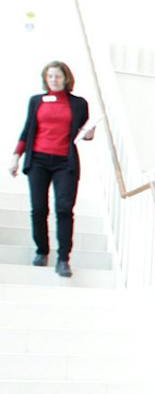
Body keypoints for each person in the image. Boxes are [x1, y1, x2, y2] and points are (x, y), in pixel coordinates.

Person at [11, 61, 94, 279]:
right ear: (45, 79)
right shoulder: (36, 101)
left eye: (58, 76)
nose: (54, 80)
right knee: (39, 209)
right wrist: (16, 156)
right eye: (50, 77)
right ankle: (42, 251)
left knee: (64, 209)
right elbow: (28, 129)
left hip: (64, 162)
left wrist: (89, 133)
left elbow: (86, 132)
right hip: (37, 160)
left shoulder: (79, 103)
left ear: (66, 78)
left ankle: (63, 258)